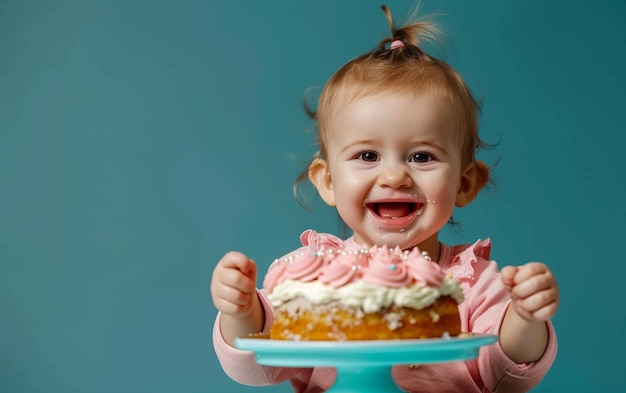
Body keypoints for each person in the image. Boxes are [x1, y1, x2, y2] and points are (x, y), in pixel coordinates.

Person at [210, 4, 558, 393]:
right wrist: (240, 311)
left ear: (464, 184)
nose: (393, 176)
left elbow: (508, 376)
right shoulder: (310, 278)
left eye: (421, 156)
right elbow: (258, 367)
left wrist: (526, 318)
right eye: (367, 156)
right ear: (327, 182)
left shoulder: (472, 282)